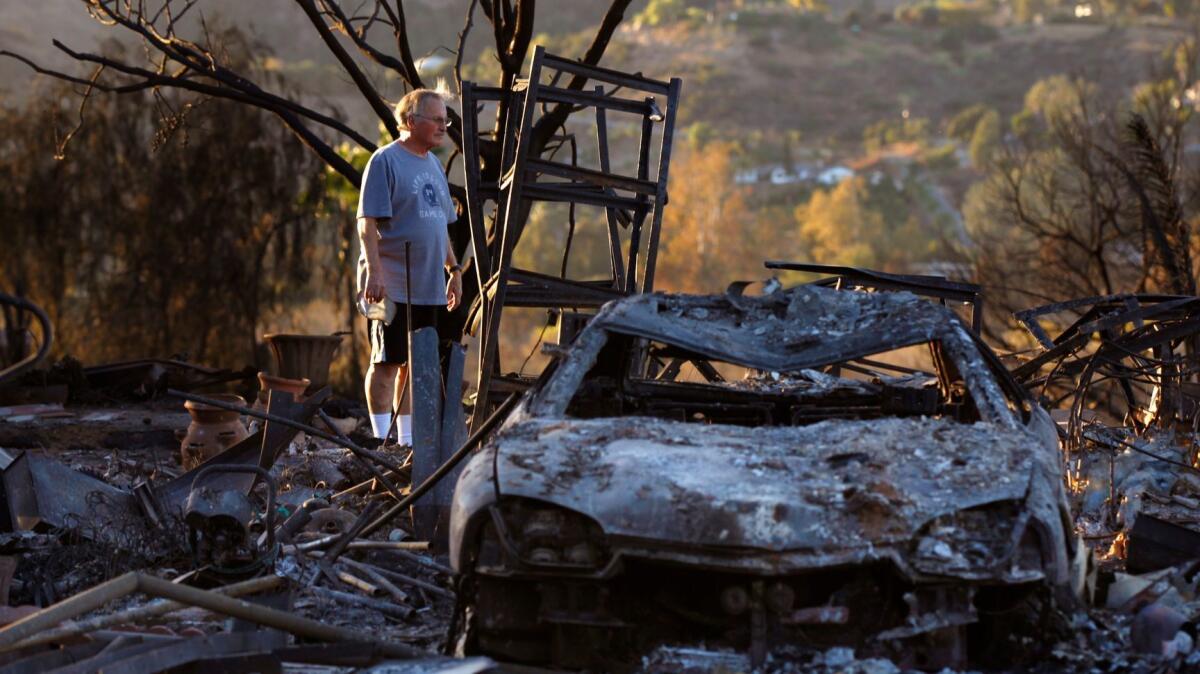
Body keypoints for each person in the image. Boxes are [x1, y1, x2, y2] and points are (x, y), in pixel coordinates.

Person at [357, 88, 462, 443]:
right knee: (387, 361)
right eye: (436, 119)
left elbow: (440, 225)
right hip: (393, 283)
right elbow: (366, 223)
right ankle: (378, 440)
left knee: (414, 366)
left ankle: (404, 442)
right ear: (410, 121)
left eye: (445, 120)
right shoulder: (385, 161)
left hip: (428, 284)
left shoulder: (433, 165)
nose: (443, 126)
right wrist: (375, 273)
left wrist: (454, 270)